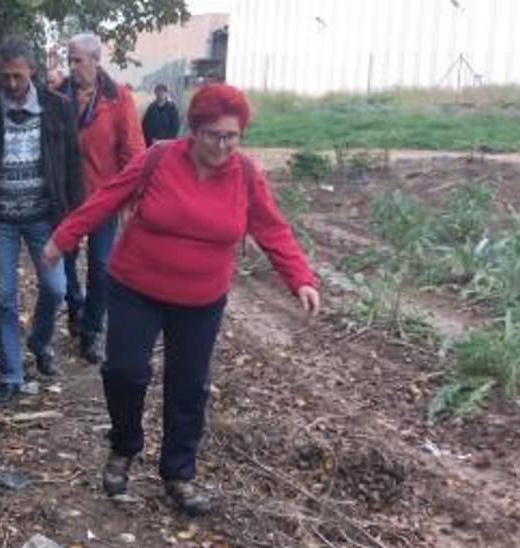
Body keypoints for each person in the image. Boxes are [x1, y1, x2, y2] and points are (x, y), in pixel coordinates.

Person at [41, 83, 321, 515]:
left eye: (232, 136)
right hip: (136, 288)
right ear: (194, 130)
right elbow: (109, 196)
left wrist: (300, 278)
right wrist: (63, 237)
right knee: (124, 371)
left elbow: (272, 228)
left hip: (201, 300)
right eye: (213, 135)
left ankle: (178, 473)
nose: (223, 145)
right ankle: (125, 445)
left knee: (189, 387)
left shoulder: (245, 175)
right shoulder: (159, 158)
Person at [0, 36, 84, 406]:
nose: (11, 84)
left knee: (56, 288)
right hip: (0, 221)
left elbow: (73, 164)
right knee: (5, 298)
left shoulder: (57, 109)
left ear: (32, 71)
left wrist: (78, 214)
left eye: (18, 76)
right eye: (5, 76)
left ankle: (40, 342)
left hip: (45, 216)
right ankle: (10, 375)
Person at [58, 32, 145, 364]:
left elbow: (134, 151)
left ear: (96, 61)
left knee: (101, 265)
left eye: (77, 60)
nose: (72, 66)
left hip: (104, 198)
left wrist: (130, 197)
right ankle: (75, 306)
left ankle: (92, 331)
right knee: (61, 261)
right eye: (69, 60)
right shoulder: (58, 95)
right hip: (66, 198)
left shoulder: (118, 98)